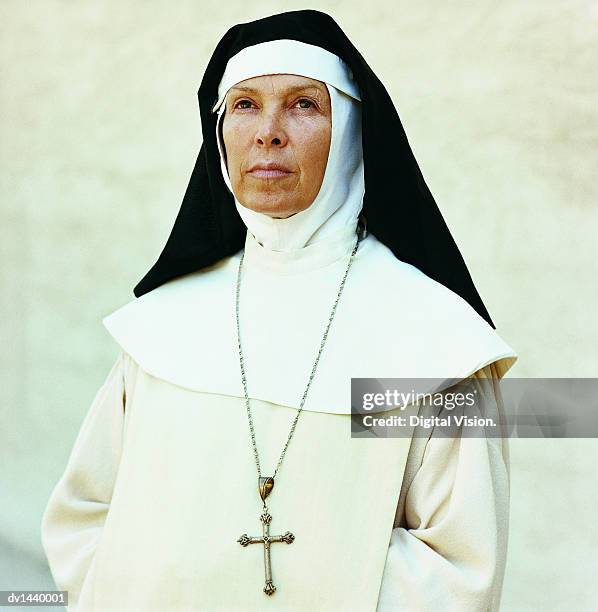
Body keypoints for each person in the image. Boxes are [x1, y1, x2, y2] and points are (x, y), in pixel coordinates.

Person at [41, 9, 518, 611]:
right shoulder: (163, 326)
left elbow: (459, 567)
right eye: (244, 105)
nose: (268, 131)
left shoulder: (438, 340)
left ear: (349, 131)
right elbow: (84, 517)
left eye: (303, 104)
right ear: (219, 134)